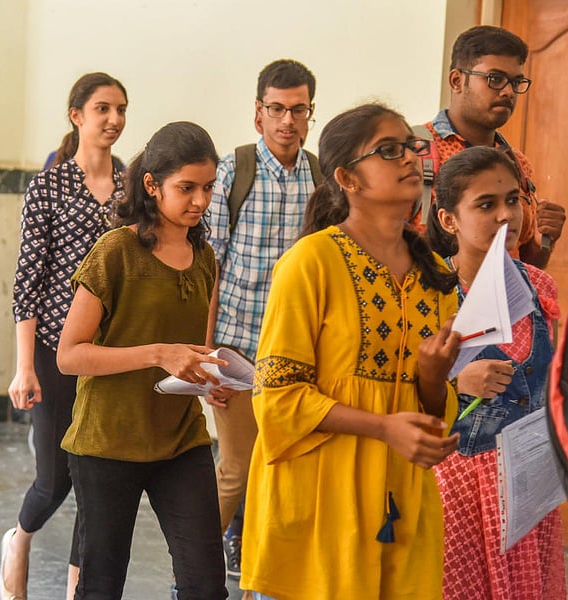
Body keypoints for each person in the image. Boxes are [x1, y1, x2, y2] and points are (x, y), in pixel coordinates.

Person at [241, 103, 463, 599]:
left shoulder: (434, 271)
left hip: (400, 497)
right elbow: (277, 397)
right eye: (388, 150)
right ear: (347, 178)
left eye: (411, 146)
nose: (409, 158)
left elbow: (436, 409)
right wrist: (383, 426)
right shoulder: (309, 263)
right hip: (322, 492)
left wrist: (432, 376)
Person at [56, 121, 229, 599]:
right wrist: (158, 354)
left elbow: (193, 351)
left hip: (180, 440)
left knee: (207, 585)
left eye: (208, 188)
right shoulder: (116, 251)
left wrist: (211, 376)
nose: (200, 200)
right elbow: (70, 356)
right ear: (151, 185)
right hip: (107, 443)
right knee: (102, 586)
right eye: (186, 188)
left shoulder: (205, 257)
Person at [3, 71, 127, 600]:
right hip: (57, 351)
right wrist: (24, 365)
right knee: (56, 480)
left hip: (115, 355)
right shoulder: (48, 185)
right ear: (76, 115)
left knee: (97, 483)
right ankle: (19, 538)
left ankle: (80, 586)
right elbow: (28, 279)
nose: (114, 119)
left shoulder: (131, 185)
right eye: (102, 108)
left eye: (121, 109)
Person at [426, 146, 566, 599]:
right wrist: (453, 382)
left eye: (512, 199)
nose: (506, 215)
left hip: (529, 487)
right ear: (449, 220)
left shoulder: (539, 285)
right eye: (485, 205)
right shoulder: (431, 294)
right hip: (459, 489)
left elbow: (554, 382)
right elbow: (393, 390)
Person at [205, 58, 321, 580]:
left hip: (294, 351)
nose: (287, 120)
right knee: (234, 467)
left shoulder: (322, 178)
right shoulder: (233, 171)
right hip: (235, 347)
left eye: (298, 110)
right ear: (259, 114)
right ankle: (196, 562)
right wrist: (206, 359)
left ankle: (258, 556)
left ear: (310, 114)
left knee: (284, 461)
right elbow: (209, 271)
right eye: (276, 109)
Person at [417, 25, 565, 269]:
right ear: (457, 80)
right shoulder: (414, 152)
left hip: (505, 303)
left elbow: (523, 267)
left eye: (516, 82)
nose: (508, 92)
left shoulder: (517, 163)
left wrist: (542, 242)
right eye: (494, 79)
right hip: (433, 303)